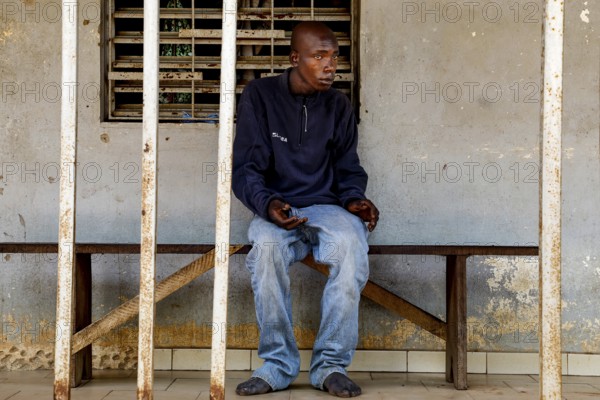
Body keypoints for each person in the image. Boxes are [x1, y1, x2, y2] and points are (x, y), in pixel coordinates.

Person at [232, 21, 379, 398]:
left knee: (351, 247)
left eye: (334, 57)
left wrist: (354, 199)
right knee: (264, 252)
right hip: (277, 208)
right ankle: (278, 365)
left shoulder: (338, 105)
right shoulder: (260, 95)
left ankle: (330, 364)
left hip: (327, 208)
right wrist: (268, 204)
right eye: (319, 57)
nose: (331, 66)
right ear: (295, 58)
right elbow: (246, 168)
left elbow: (347, 166)